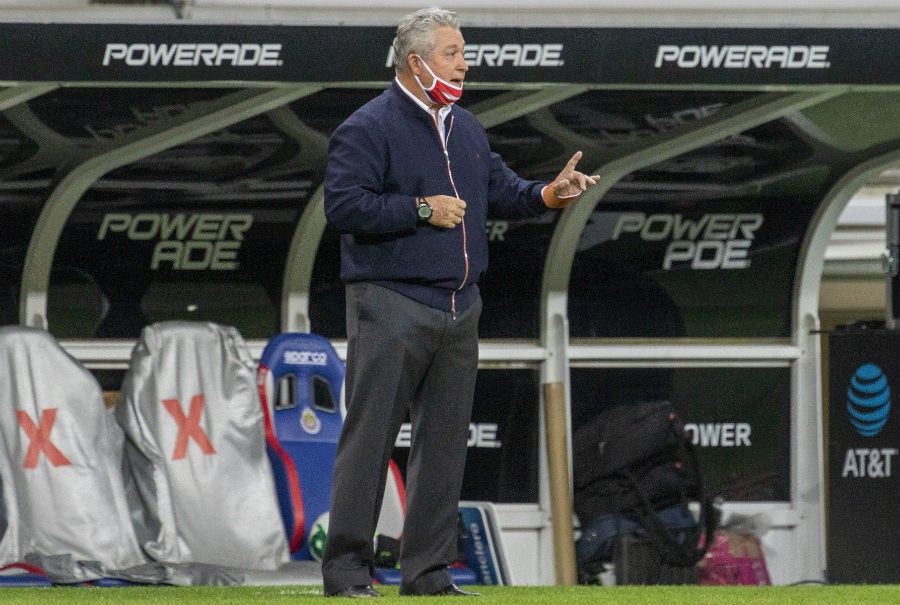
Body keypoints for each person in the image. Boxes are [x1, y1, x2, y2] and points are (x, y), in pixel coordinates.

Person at [321, 7, 599, 598]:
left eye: (464, 52)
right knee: (370, 442)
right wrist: (421, 208)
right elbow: (343, 208)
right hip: (391, 302)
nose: (464, 63)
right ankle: (347, 574)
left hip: (459, 307)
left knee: (445, 448)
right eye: (453, 53)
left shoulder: (465, 127)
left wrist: (549, 194)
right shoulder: (367, 127)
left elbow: (501, 191)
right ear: (416, 63)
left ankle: (427, 575)